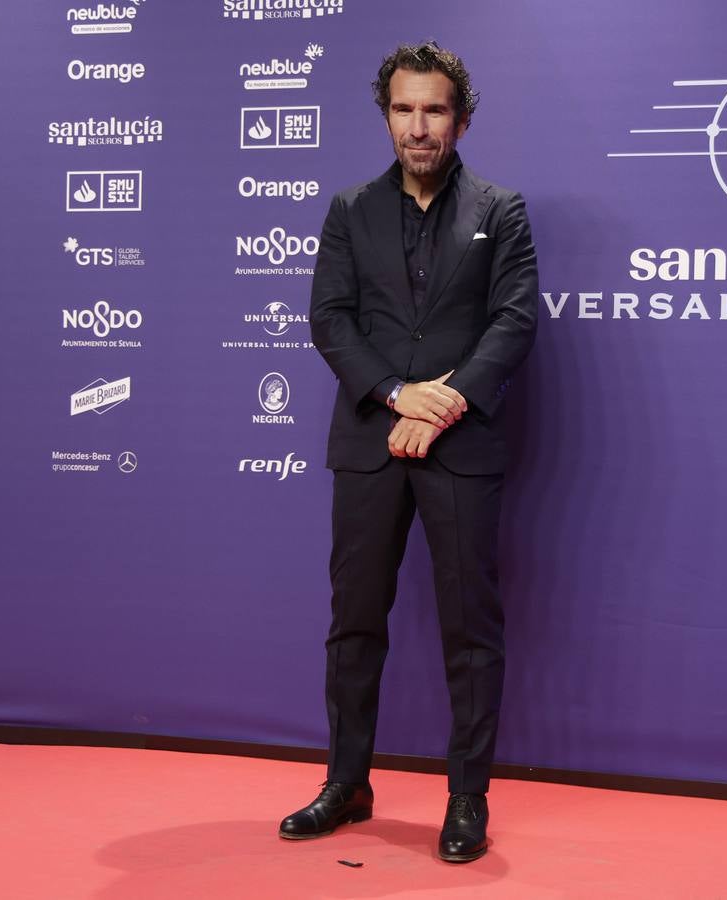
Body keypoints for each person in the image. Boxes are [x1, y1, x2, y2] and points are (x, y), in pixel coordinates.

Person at [278, 41, 538, 864]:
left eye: (433, 110)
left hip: (459, 444)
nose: (417, 127)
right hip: (369, 441)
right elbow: (331, 320)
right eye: (403, 109)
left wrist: (445, 400)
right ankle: (347, 783)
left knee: (470, 628)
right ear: (385, 114)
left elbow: (514, 320)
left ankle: (467, 800)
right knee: (353, 624)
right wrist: (397, 394)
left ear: (459, 118)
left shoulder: (501, 210)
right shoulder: (348, 210)